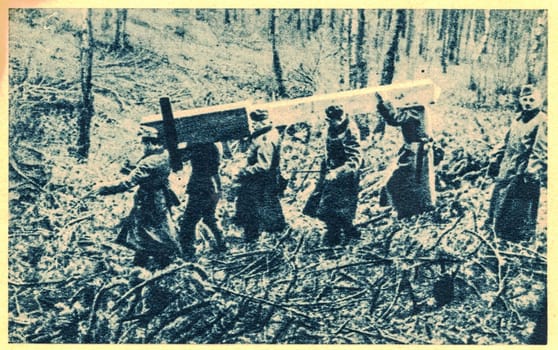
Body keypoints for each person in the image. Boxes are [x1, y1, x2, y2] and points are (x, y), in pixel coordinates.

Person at [93, 125, 180, 270]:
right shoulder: (165, 156)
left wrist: (102, 188)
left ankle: (158, 264)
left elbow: (128, 183)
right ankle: (148, 263)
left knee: (147, 233)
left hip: (148, 203)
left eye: (144, 144)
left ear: (149, 143)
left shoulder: (149, 162)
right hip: (161, 199)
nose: (143, 147)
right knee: (156, 232)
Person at [485, 84, 547, 242]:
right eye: (524, 99)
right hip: (507, 167)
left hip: (523, 171)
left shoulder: (543, 121)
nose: (528, 102)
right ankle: (494, 234)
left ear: (540, 100)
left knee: (519, 209)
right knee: (498, 201)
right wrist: (495, 160)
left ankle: (516, 242)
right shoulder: (517, 119)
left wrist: (531, 172)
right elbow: (505, 142)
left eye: (532, 99)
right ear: (520, 100)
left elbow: (541, 150)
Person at [304, 105, 362, 246]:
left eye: (332, 121)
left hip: (344, 177)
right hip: (330, 173)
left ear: (341, 118)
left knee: (334, 210)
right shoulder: (332, 127)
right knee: (327, 208)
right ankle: (351, 234)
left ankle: (332, 242)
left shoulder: (350, 131)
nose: (329, 123)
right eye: (327, 120)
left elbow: (355, 160)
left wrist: (338, 172)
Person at [375, 93, 436, 219]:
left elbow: (395, 118)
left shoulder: (416, 109)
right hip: (416, 150)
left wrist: (384, 101)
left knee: (398, 182)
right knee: (410, 183)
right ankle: (411, 213)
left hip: (416, 152)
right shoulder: (417, 107)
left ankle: (410, 213)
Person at [234, 109, 286, 242]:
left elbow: (264, 166)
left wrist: (242, 172)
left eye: (256, 123)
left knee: (256, 208)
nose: (254, 126)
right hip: (264, 180)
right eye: (254, 123)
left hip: (261, 181)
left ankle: (256, 238)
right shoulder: (267, 133)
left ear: (263, 122)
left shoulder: (266, 140)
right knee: (265, 207)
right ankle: (268, 236)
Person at [177, 142, 226, 258]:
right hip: (211, 188)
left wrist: (177, 148)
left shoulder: (196, 146)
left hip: (199, 189)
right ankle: (222, 245)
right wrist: (219, 189)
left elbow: (181, 159)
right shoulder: (213, 146)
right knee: (209, 218)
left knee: (188, 222)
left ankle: (188, 252)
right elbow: (215, 171)